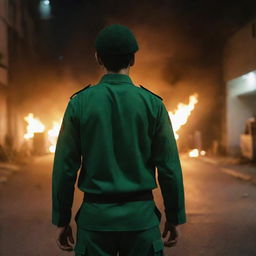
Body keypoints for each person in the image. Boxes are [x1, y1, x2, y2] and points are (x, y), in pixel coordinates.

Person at [52, 24, 186, 256]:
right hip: (141, 222)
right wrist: (174, 217)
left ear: (98, 58)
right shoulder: (153, 104)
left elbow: (65, 168)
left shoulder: (79, 104)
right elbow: (169, 168)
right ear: (133, 59)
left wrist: (62, 219)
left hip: (95, 223)